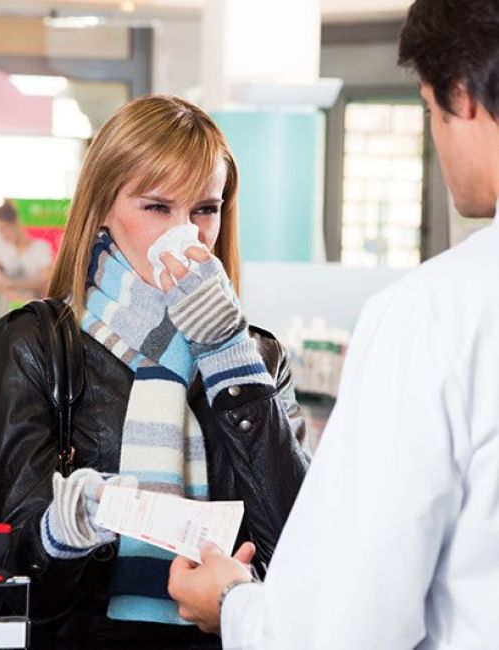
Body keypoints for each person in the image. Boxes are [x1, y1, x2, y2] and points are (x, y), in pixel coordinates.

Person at [168, 1, 499, 648]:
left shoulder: (431, 318)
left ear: (462, 96)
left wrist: (233, 606)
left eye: (431, 112)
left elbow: (342, 628)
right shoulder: (42, 341)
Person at [0, 95, 308, 649]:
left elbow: (303, 551)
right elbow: (13, 572)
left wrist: (226, 350)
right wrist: (67, 526)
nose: (186, 234)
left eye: (205, 209)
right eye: (157, 208)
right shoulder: (39, 343)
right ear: (103, 207)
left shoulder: (258, 357)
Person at [0, 199, 53, 313]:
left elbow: (45, 281)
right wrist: (13, 294)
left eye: (3, 228)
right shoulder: (0, 246)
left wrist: (11, 284)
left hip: (32, 312)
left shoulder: (41, 248)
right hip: (7, 311)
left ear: (15, 222)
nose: (2, 235)